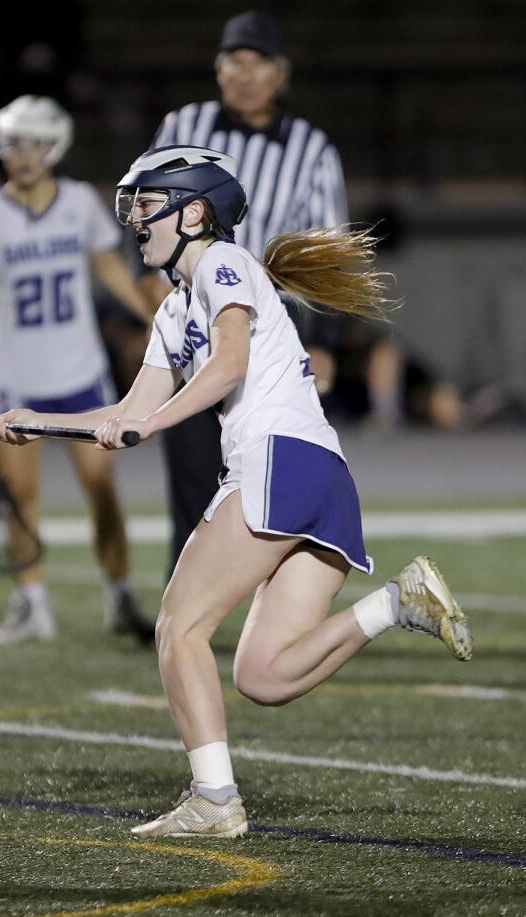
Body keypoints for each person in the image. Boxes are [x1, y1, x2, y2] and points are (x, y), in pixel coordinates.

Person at [0, 146, 472, 837]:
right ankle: (399, 601)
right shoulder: (174, 309)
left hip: (276, 462)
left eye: (149, 206)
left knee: (178, 627)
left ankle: (215, 800)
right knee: (264, 676)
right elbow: (126, 409)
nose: (136, 221)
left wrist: (148, 424)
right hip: (320, 477)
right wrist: (36, 422)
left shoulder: (221, 263)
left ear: (196, 211)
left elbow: (228, 364)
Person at [150, 10, 376, 576]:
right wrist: (153, 314)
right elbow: (150, 218)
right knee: (190, 468)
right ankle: (187, 605)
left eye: (257, 63)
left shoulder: (310, 147)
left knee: (266, 465)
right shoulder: (185, 124)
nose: (244, 75)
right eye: (234, 61)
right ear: (218, 68)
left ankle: (269, 604)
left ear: (281, 74)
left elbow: (331, 251)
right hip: (191, 322)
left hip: (268, 336)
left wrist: (322, 340)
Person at [0, 94, 155, 646]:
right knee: (21, 501)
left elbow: (109, 268)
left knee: (103, 491)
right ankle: (32, 605)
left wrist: (155, 313)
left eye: (36, 143)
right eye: (16, 143)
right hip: (16, 379)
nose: (25, 155)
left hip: (81, 374)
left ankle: (120, 596)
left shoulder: (80, 203)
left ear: (55, 146)